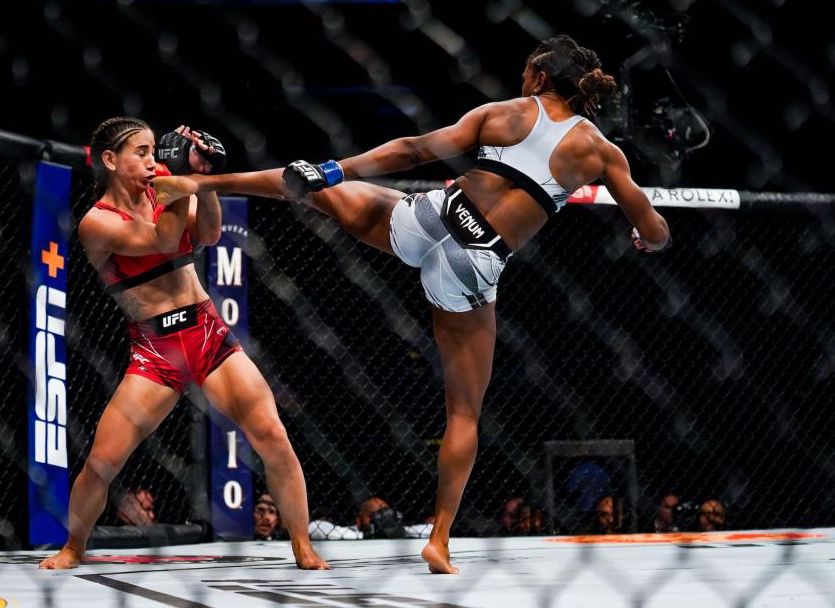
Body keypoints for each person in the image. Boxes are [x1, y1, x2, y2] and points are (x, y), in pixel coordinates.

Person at [154, 35, 671, 573]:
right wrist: (647, 238)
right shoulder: (601, 152)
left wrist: (335, 170)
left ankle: (199, 181)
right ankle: (440, 538)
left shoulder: (512, 112)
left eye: (525, 73)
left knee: (315, 189)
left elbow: (415, 149)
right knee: (464, 411)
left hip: (435, 216)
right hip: (474, 262)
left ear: (541, 79)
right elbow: (653, 226)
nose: (521, 80)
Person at [38, 118, 327, 570]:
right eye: (141, 152)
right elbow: (163, 239)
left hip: (209, 333)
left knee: (273, 435)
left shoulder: (163, 193)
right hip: (156, 350)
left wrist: (204, 180)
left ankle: (302, 546)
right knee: (101, 462)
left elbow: (209, 234)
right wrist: (182, 180)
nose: (153, 160)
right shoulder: (97, 222)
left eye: (156, 150)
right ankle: (74, 546)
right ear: (110, 160)